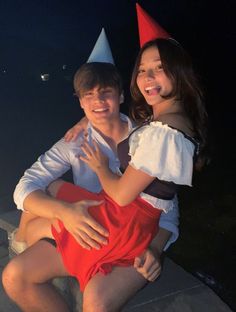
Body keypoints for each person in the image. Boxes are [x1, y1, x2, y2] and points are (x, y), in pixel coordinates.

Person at [2, 38, 207, 312]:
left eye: (106, 92)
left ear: (121, 95)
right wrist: (65, 212)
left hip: (127, 234)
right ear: (80, 102)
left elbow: (167, 207)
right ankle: (32, 233)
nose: (98, 100)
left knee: (94, 299)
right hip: (90, 226)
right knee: (15, 275)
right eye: (89, 95)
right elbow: (25, 187)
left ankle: (27, 235)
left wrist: (157, 248)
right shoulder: (74, 142)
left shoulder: (149, 136)